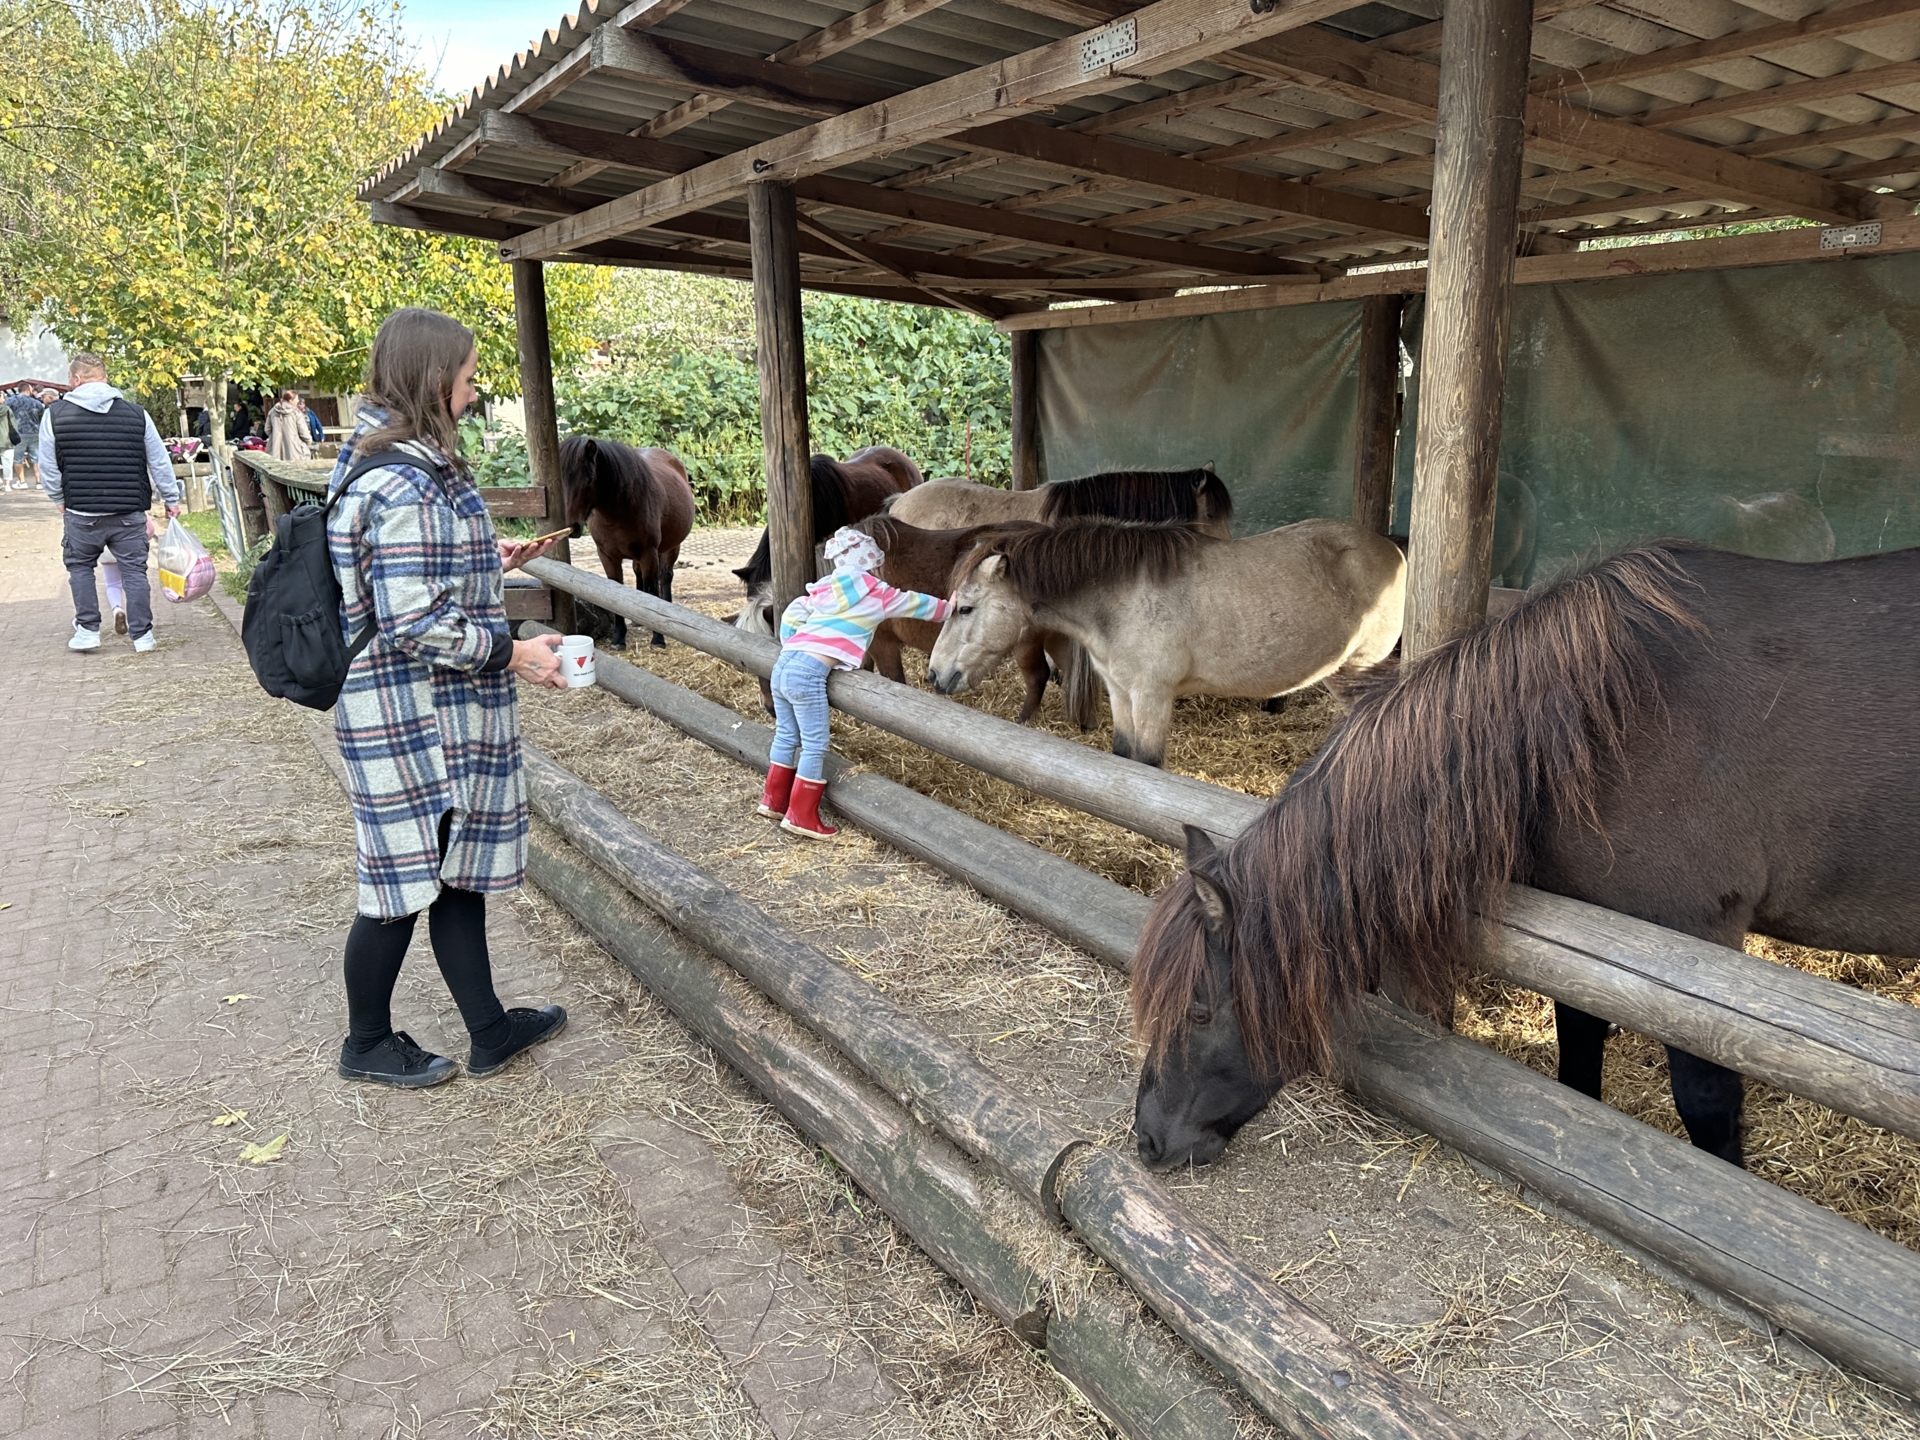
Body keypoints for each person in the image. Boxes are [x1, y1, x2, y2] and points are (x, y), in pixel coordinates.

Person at [326, 307, 571, 1089]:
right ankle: (365, 1043)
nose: (473, 391)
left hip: (425, 712)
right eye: (467, 377)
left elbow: (405, 577)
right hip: (411, 715)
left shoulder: (391, 459)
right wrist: (514, 651)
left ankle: (490, 1030)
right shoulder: (406, 479)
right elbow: (412, 620)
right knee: (400, 883)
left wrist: (484, 560)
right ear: (436, 379)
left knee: (455, 870)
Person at [759, 527, 952, 839]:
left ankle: (773, 801)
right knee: (815, 744)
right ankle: (801, 815)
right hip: (809, 672)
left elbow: (795, 610)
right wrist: (949, 607)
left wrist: (792, 642)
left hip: (785, 664)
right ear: (873, 565)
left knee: (785, 735)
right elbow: (916, 604)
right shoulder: (878, 593)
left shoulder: (824, 588)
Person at [39, 355, 181, 653]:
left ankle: (88, 629)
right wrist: (171, 498)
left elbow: (49, 467)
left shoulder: (54, 415)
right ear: (104, 377)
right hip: (129, 510)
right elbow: (158, 460)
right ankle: (143, 636)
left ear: (76, 379)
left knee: (79, 567)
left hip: (81, 511)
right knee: (134, 571)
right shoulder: (136, 414)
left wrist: (59, 499)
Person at [5, 384, 45, 490]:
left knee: (18, 458)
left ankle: (22, 482)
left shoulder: (10, 401)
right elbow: (42, 418)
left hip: (18, 433)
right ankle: (39, 482)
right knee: (36, 458)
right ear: (28, 390)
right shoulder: (37, 403)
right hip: (35, 433)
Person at [267, 388, 311, 462]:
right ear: (291, 400)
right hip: (295, 452)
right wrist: (308, 442)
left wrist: (276, 437)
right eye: (296, 399)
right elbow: (304, 433)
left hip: (275, 451)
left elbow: (267, 429)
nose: (298, 401)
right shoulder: (296, 413)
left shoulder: (272, 411)